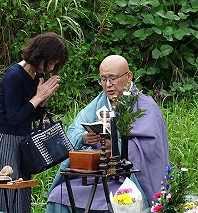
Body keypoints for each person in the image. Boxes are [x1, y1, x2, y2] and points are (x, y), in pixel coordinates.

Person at [46, 55, 169, 212]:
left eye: (113, 78)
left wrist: (116, 145)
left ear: (129, 76)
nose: (108, 85)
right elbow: (73, 131)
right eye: (103, 79)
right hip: (97, 175)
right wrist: (84, 138)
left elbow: (151, 148)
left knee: (120, 201)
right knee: (59, 195)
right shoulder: (99, 102)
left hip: (129, 178)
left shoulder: (145, 106)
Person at [0, 32, 68, 213]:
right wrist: (38, 97)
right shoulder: (14, 75)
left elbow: (33, 116)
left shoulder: (36, 75)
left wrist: (43, 99)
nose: (52, 67)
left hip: (22, 141)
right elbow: (14, 118)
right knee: (6, 194)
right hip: (4, 139)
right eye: (50, 62)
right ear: (40, 55)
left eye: (55, 64)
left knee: (21, 194)